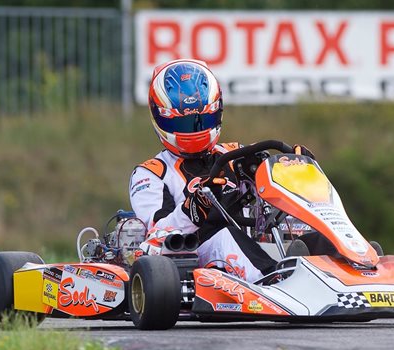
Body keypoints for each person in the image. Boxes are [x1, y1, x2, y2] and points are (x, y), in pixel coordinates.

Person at [129, 59, 309, 283]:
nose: (196, 130)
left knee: (307, 233)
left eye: (204, 120)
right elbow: (156, 236)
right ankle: (282, 284)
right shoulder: (150, 174)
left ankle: (350, 267)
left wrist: (295, 166)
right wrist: (191, 210)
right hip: (194, 261)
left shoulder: (237, 155)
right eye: (185, 124)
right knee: (226, 236)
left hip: (248, 251)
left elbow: (279, 185)